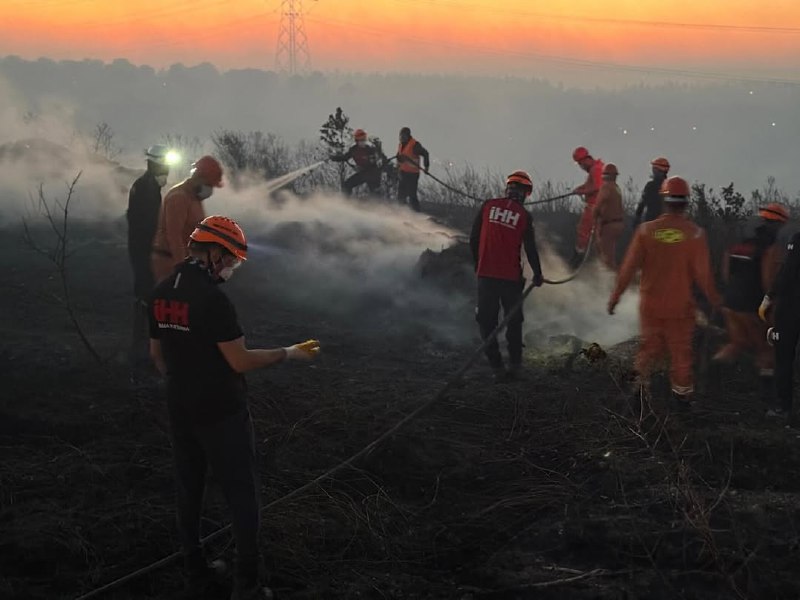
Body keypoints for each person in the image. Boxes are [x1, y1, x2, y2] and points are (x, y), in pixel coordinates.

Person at [148, 215, 321, 599]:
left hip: (179, 406)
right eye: (231, 261)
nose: (231, 269)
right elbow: (239, 361)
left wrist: (185, 382)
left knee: (188, 489)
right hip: (221, 411)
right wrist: (290, 353)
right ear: (214, 253)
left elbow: (157, 355)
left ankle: (196, 571)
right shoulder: (214, 300)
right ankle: (247, 585)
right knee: (243, 495)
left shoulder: (161, 291)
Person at [608, 176, 721, 407]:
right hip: (680, 308)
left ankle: (638, 394)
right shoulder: (696, 234)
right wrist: (716, 300)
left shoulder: (646, 231)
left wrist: (615, 298)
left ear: (664, 200)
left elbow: (627, 269)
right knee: (681, 355)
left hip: (650, 306)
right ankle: (681, 400)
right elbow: (704, 276)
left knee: (648, 349)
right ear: (686, 202)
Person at [470, 170, 544, 382]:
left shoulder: (488, 206)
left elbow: (473, 239)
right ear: (525, 193)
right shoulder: (523, 216)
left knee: (486, 322)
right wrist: (538, 274)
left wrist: (479, 265)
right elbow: (530, 249)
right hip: (511, 279)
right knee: (513, 321)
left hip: (486, 276)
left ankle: (497, 368)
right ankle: (516, 366)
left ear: (507, 188)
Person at [714, 203, 788, 404]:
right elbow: (768, 282)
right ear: (779, 225)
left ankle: (713, 373)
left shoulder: (742, 244)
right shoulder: (772, 249)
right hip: (751, 307)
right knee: (767, 350)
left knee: (738, 343)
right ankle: (767, 399)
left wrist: (733, 291)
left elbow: (726, 270)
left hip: (730, 303)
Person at [126, 144, 171, 365]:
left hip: (145, 248)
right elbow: (141, 222)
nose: (168, 169)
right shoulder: (144, 188)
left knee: (148, 292)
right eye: (164, 165)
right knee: (146, 292)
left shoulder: (151, 188)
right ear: (154, 164)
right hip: (143, 250)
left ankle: (145, 342)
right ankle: (142, 344)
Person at [151, 155, 224, 283]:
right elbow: (174, 236)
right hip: (169, 263)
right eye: (209, 185)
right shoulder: (179, 197)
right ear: (198, 178)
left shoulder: (194, 198)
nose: (210, 190)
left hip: (186, 263)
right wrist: (182, 267)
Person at [759, 214, 800, 424]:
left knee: (783, 357)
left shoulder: (798, 239)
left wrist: (769, 296)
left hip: (791, 307)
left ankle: (782, 408)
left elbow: (788, 272)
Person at [570, 146, 605, 268]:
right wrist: (581, 188)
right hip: (597, 208)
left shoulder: (596, 169)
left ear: (585, 160)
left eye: (580, 163)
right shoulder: (596, 169)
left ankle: (578, 260)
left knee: (584, 232)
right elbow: (590, 184)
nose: (581, 167)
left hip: (594, 208)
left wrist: (583, 192)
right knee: (593, 236)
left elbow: (598, 187)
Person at [328, 128, 387, 197]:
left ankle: (378, 206)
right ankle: (345, 202)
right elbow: (345, 157)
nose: (363, 142)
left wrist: (361, 167)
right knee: (347, 184)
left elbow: (375, 162)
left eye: (364, 140)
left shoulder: (371, 148)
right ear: (356, 141)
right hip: (363, 173)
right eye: (361, 140)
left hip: (373, 174)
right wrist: (334, 158)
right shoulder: (354, 149)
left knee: (375, 192)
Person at [593, 162, 625, 271]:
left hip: (608, 225)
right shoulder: (616, 188)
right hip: (618, 224)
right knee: (611, 254)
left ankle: (610, 280)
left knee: (607, 258)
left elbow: (599, 204)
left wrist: (594, 215)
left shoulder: (606, 187)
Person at [395, 126, 430, 212]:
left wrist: (426, 166)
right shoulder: (401, 145)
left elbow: (425, 153)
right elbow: (399, 158)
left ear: (408, 136)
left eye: (403, 136)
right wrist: (398, 168)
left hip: (413, 174)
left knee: (412, 195)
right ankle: (401, 212)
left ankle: (417, 214)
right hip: (403, 173)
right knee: (401, 195)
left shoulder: (415, 145)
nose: (401, 138)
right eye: (400, 136)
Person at [633, 157, 670, 226]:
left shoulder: (650, 186)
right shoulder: (670, 186)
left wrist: (637, 218)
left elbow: (642, 203)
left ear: (656, 170)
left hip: (651, 222)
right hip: (667, 224)